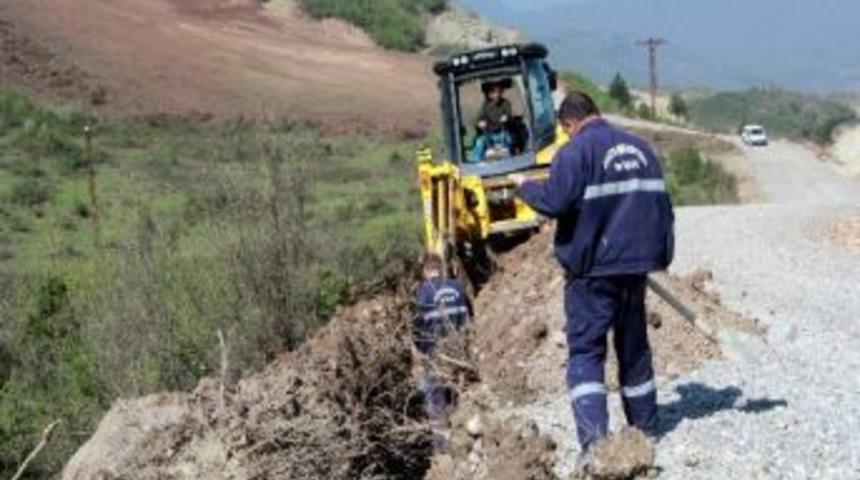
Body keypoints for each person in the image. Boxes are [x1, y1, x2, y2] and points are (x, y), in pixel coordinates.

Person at [511, 92, 675, 464]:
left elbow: (554, 202)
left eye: (566, 131)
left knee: (586, 352)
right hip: (635, 267)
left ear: (569, 124)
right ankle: (646, 430)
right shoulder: (641, 149)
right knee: (634, 347)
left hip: (592, 273)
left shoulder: (574, 152)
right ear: (596, 113)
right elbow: (662, 208)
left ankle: (596, 445)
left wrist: (524, 185)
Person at [412, 255, 473, 448]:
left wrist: (423, 352)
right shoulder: (458, 287)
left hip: (436, 354)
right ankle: (463, 439)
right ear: (441, 268)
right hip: (459, 351)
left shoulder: (422, 293)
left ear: (426, 271)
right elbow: (470, 317)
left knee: (437, 402)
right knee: (458, 395)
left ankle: (443, 449)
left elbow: (417, 330)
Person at [470, 80, 513, 163]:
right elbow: (479, 119)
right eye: (494, 92)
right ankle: (476, 162)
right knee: (480, 142)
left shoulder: (506, 103)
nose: (497, 94)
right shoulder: (485, 105)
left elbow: (508, 114)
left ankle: (512, 159)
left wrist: (506, 117)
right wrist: (480, 123)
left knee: (509, 140)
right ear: (490, 94)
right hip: (489, 134)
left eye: (499, 92)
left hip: (503, 132)